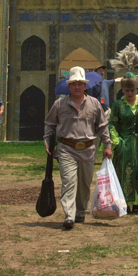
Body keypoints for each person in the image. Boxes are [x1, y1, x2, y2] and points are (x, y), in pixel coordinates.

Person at [44, 67, 112, 229]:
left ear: (85, 86)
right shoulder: (60, 104)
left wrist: (107, 145)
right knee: (69, 182)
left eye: (80, 84)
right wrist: (47, 141)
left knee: (84, 184)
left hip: (88, 150)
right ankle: (69, 214)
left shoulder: (94, 104)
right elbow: (49, 124)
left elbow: (102, 126)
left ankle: (80, 212)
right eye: (74, 84)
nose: (77, 87)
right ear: (69, 86)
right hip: (67, 149)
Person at [109, 73, 138, 214]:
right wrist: (116, 140)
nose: (129, 93)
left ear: (137, 89)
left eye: (132, 90)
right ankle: (125, 202)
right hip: (124, 143)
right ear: (122, 90)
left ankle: (136, 201)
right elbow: (112, 124)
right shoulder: (118, 105)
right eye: (126, 90)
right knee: (124, 171)